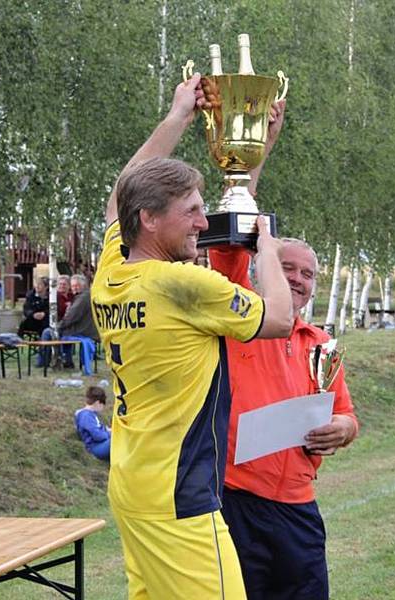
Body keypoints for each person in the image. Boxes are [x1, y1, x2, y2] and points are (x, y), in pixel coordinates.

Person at [91, 72, 293, 600]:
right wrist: (266, 243)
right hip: (181, 496)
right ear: (151, 220)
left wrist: (182, 115)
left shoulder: (114, 270)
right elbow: (278, 319)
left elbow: (120, 195)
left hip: (134, 484)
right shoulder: (180, 282)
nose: (205, 223)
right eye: (193, 211)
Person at [210, 100, 358, 599]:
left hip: (298, 507)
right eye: (286, 267)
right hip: (237, 501)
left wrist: (342, 430)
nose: (296, 279)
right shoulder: (239, 317)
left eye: (307, 274)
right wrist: (260, 150)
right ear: (261, 268)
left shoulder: (321, 346)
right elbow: (235, 222)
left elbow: (347, 416)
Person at [49, 274, 99, 374]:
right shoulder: (86, 295)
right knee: (61, 331)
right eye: (72, 286)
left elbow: (71, 317)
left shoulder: (83, 298)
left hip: (83, 331)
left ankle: (46, 361)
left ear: (84, 285)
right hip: (87, 329)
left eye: (76, 285)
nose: (74, 288)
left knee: (48, 332)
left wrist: (58, 327)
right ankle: (68, 361)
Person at [74, 386, 111, 461]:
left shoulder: (90, 414)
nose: (102, 408)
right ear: (97, 403)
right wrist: (109, 434)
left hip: (99, 444)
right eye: (102, 405)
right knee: (117, 439)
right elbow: (97, 436)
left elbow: (97, 428)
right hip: (95, 448)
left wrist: (107, 430)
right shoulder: (86, 416)